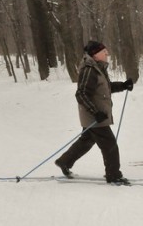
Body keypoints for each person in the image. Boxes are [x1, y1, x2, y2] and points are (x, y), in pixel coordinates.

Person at [55, 41, 134, 185]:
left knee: (86, 141)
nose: (107, 53)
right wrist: (95, 112)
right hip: (96, 117)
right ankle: (114, 175)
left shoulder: (97, 68)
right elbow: (81, 94)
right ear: (95, 54)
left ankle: (64, 161)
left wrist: (123, 85)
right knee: (110, 145)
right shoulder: (89, 69)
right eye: (104, 51)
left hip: (96, 116)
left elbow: (105, 88)